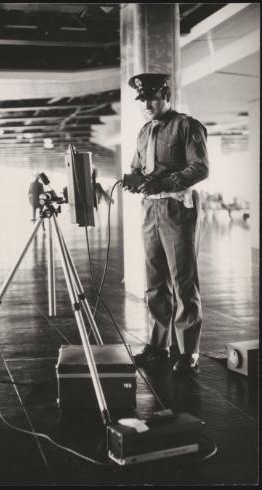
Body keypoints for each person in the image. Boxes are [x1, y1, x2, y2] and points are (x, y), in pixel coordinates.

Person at [124, 73, 209, 373]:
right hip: (150, 211)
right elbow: (137, 166)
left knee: (183, 280)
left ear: (166, 96)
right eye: (143, 99)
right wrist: (134, 181)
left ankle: (188, 352)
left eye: (153, 98)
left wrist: (164, 181)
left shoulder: (187, 125)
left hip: (177, 209)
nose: (147, 104)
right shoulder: (144, 132)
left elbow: (199, 168)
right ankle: (159, 345)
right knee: (155, 281)